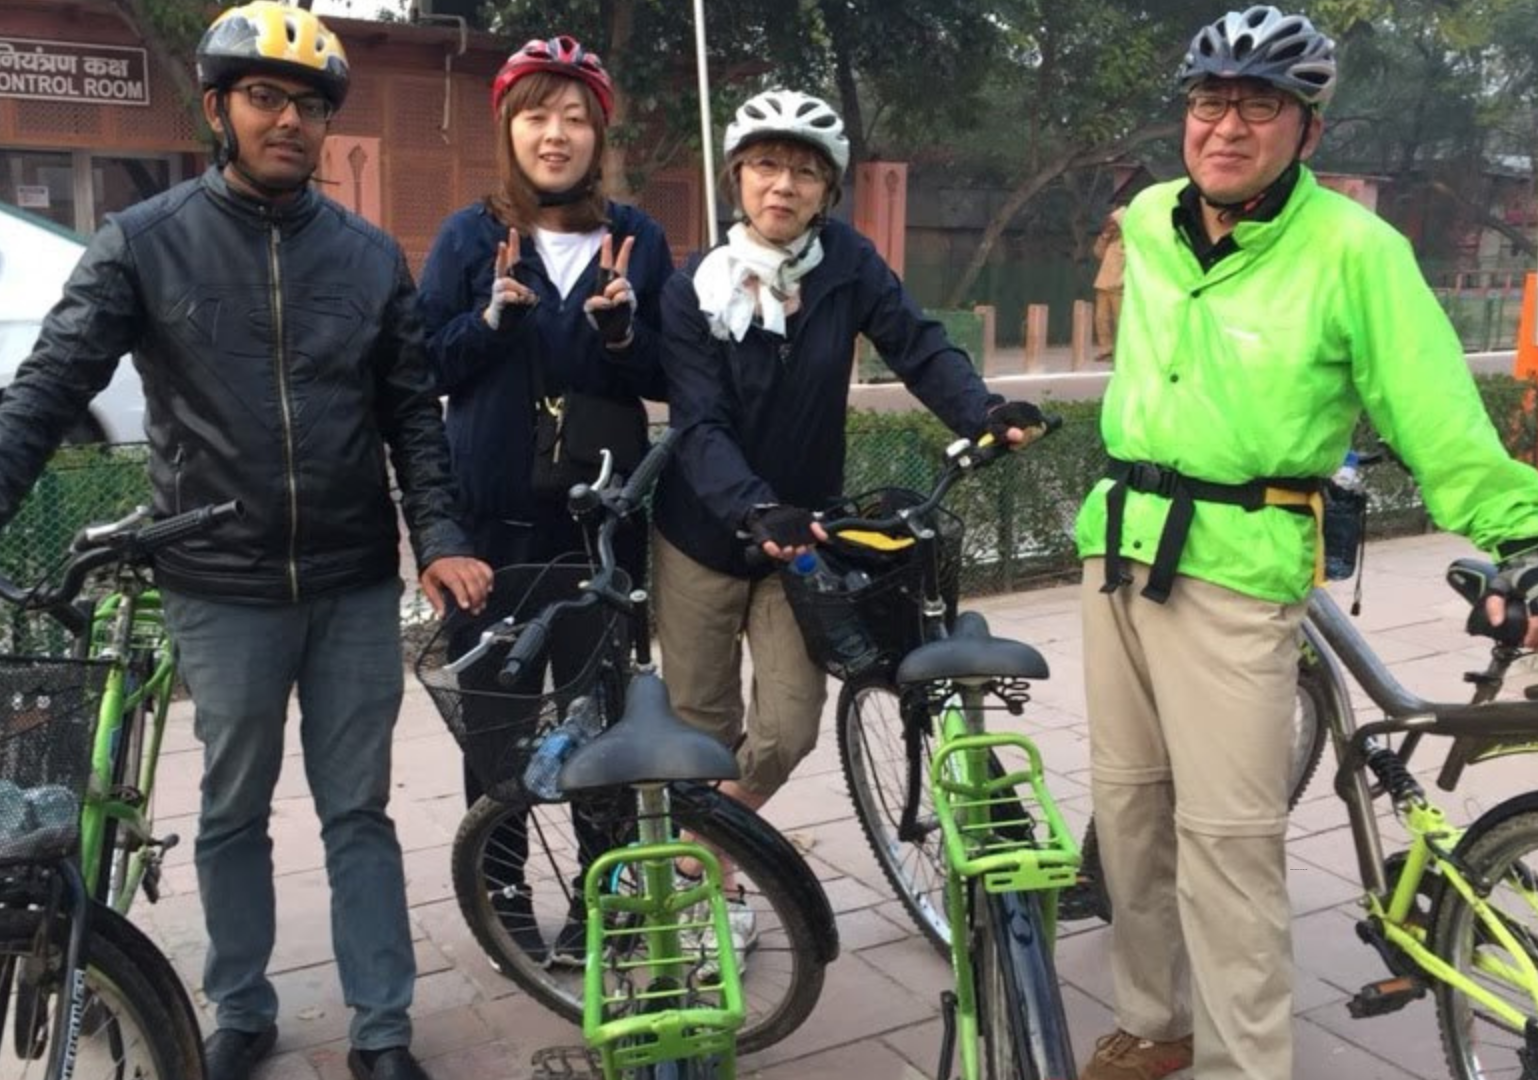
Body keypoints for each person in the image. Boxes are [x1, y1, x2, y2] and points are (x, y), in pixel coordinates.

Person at [0, 5, 493, 1079]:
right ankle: (242, 1009)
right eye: (265, 97)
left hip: (353, 582)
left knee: (358, 810)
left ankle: (382, 1028)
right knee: (232, 809)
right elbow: (48, 388)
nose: (289, 120)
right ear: (218, 107)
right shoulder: (146, 242)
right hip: (220, 585)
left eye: (309, 105)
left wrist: (439, 534)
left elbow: (411, 415)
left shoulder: (366, 257)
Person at [1069, 8, 1538, 1080]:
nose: (1227, 126)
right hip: (1116, 548)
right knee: (1127, 809)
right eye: (1210, 102)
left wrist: (1523, 543)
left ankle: (1244, 1065)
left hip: (1235, 569)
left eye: (1259, 106)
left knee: (1229, 841)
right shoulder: (1153, 215)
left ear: (1307, 129)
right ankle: (1157, 1021)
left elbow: (1433, 408)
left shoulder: (1357, 251)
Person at [654, 88, 1047, 949]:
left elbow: (916, 343)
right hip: (703, 537)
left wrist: (980, 409)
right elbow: (698, 425)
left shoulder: (847, 265)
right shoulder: (692, 288)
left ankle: (700, 843)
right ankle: (707, 881)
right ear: (736, 178)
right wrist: (754, 505)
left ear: (827, 191)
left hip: (804, 537)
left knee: (788, 725)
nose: (782, 186)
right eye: (765, 165)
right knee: (702, 727)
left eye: (804, 172)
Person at [415, 33, 669, 966]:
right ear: (509, 130)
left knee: (599, 716)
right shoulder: (468, 237)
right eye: (536, 117)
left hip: (597, 531)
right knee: (496, 724)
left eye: (573, 118)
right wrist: (490, 321)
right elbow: (423, 366)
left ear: (598, 135)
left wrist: (622, 334)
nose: (555, 135)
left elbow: (668, 374)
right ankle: (505, 892)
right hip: (491, 530)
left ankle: (604, 895)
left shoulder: (635, 239)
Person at [1091, 203, 1125, 363]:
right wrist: (1104, 236)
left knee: (1120, 320)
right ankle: (1107, 350)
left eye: (1114, 223)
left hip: (1119, 287)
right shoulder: (1110, 241)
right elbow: (1098, 254)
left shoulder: (1129, 241)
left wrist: (1122, 282)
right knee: (1101, 319)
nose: (1111, 225)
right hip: (1103, 285)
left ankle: (1123, 350)